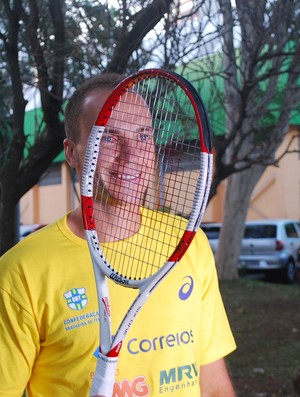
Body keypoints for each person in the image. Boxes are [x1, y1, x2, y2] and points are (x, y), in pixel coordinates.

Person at [0, 73, 236, 397]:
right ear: (71, 152)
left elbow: (214, 387)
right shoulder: (21, 271)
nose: (131, 154)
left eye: (143, 136)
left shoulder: (188, 245)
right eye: (108, 138)